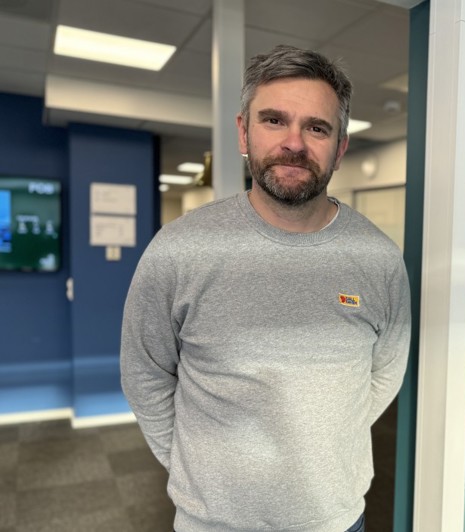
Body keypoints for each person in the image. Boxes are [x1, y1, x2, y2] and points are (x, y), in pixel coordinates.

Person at [120, 45, 411, 532]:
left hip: (335, 520)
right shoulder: (180, 248)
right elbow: (144, 373)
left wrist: (325, 448)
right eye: (274, 120)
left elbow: (385, 373)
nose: (294, 143)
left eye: (317, 128)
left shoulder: (378, 258)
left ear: (339, 148)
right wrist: (199, 472)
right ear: (244, 132)